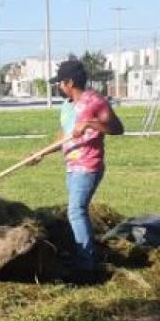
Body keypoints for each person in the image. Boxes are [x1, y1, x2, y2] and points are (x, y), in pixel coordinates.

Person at [30, 59, 124, 274]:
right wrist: (40, 154)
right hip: (72, 167)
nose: (58, 87)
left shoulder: (95, 101)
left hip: (89, 165)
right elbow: (62, 137)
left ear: (69, 82)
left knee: (75, 210)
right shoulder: (66, 106)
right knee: (76, 211)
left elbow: (117, 128)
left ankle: (87, 263)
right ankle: (82, 254)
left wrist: (90, 124)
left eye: (60, 83)